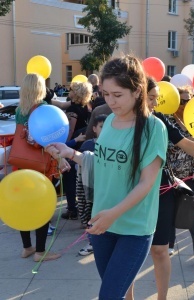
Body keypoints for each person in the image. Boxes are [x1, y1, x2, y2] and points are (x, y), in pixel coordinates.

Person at [46, 54, 168, 299]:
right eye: (106, 93)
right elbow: (103, 163)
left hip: (133, 227)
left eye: (118, 95)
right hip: (101, 223)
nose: (110, 102)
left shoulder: (154, 128)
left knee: (109, 296)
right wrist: (71, 153)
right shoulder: (110, 121)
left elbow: (147, 182)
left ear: (137, 91)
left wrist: (114, 214)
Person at [127, 78, 194, 300]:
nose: (154, 103)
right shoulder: (121, 122)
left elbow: (185, 143)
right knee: (130, 252)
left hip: (161, 192)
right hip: (131, 194)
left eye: (156, 98)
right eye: (151, 98)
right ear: (138, 95)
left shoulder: (159, 120)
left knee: (160, 250)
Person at [16, 73, 67, 262]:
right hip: (41, 166)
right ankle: (40, 252)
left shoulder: (20, 110)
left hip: (23, 164)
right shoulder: (43, 109)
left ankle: (27, 247)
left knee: (24, 207)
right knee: (43, 207)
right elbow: (49, 141)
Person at [62, 81, 92, 220]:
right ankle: (84, 208)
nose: (70, 92)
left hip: (74, 147)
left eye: (72, 90)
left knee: (69, 177)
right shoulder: (87, 107)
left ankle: (72, 209)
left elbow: (71, 129)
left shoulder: (73, 109)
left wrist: (66, 144)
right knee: (82, 178)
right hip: (85, 147)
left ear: (77, 92)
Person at [78, 114, 107, 256]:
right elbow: (81, 167)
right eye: (101, 126)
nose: (105, 129)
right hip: (91, 187)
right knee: (92, 216)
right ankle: (91, 242)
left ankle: (101, 241)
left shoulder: (115, 144)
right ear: (94, 128)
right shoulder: (88, 144)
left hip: (107, 188)